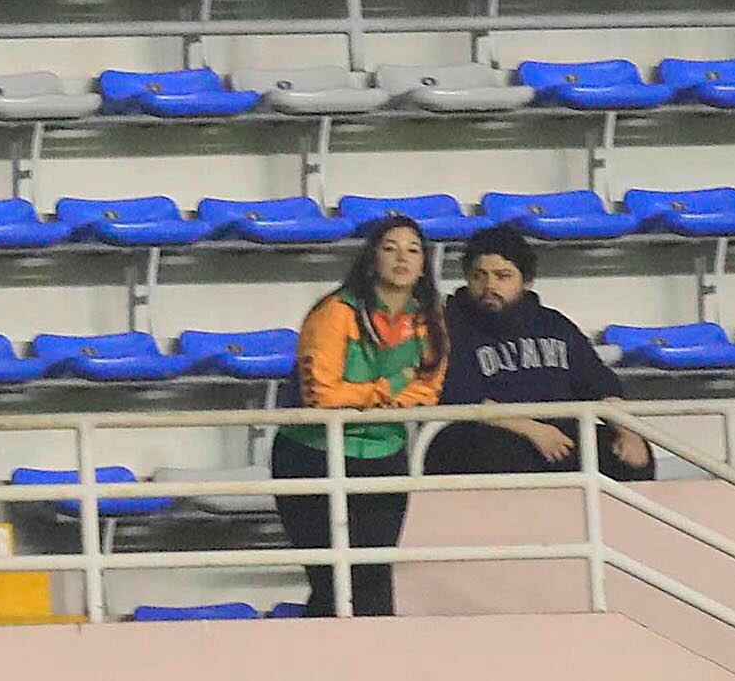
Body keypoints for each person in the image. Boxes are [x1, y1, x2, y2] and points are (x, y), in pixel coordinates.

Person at [275, 213, 444, 618]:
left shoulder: (429, 318)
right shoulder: (334, 312)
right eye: (390, 249)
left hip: (384, 457)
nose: (402, 258)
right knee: (332, 583)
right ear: (371, 259)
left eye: (413, 250)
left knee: (373, 581)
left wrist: (370, 399)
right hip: (311, 456)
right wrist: (389, 388)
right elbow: (323, 396)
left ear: (424, 264)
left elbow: (428, 390)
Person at [422, 227, 645, 481]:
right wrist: (533, 430)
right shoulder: (449, 325)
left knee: (631, 457)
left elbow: (598, 382)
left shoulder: (554, 323)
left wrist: (628, 432)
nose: (489, 286)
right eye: (479, 276)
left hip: (560, 433)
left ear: (525, 281)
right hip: (487, 434)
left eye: (502, 276)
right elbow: (460, 396)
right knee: (503, 453)